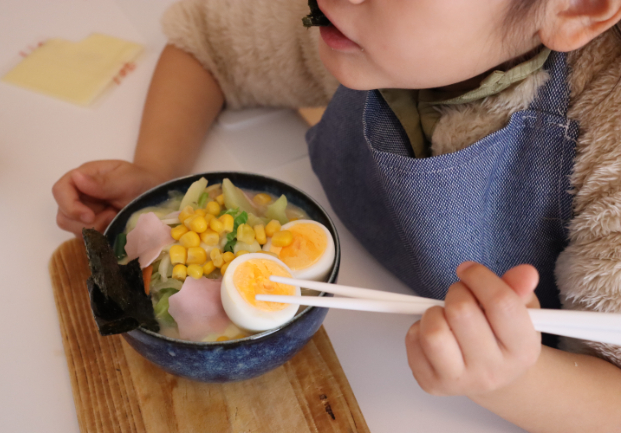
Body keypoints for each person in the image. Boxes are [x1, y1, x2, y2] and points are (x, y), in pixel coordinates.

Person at [53, 1, 621, 431]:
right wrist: (157, 169)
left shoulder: (606, 125)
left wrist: (515, 381)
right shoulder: (358, 26)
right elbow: (207, 43)